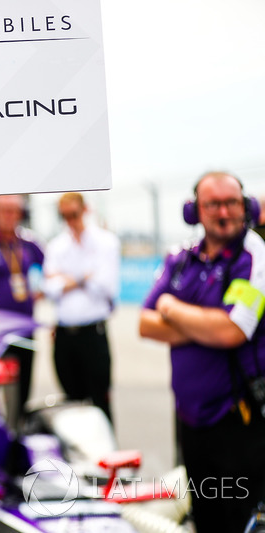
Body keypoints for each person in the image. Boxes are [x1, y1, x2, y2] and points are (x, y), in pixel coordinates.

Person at [139, 172, 265, 532]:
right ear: (195, 211)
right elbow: (144, 324)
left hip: (239, 421)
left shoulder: (253, 255)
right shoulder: (181, 258)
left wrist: (172, 308)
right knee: (205, 519)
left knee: (240, 522)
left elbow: (232, 330)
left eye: (232, 203)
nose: (224, 212)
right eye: (213, 204)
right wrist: (204, 326)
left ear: (247, 207)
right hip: (191, 421)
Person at [41, 192, 120, 423]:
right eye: (64, 216)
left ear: (85, 211)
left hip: (92, 332)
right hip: (65, 334)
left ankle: (106, 456)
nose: (70, 221)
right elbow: (49, 288)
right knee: (72, 403)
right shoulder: (57, 246)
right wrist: (83, 276)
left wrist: (65, 279)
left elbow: (106, 285)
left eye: (73, 215)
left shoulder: (106, 242)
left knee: (100, 401)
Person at [0, 194, 44, 419]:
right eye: (3, 210)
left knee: (24, 382)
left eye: (13, 210)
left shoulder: (30, 243)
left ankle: (19, 429)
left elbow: (49, 269)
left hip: (26, 327)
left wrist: (42, 288)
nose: (9, 216)